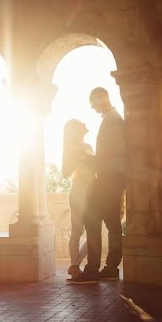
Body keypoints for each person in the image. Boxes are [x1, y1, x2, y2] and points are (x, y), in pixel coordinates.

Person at [69, 87, 126, 284]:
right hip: (116, 176)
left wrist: (86, 161)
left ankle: (92, 269)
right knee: (112, 224)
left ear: (102, 99)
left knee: (90, 218)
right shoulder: (113, 117)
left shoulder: (111, 120)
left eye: (93, 104)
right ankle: (111, 268)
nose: (93, 109)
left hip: (109, 176)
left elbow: (108, 154)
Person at [61, 119, 93, 282]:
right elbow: (65, 172)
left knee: (93, 231)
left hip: (91, 192)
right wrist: (75, 158)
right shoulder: (70, 149)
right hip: (77, 191)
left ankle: (75, 264)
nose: (85, 127)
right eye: (81, 126)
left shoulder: (88, 146)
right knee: (77, 230)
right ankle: (75, 265)